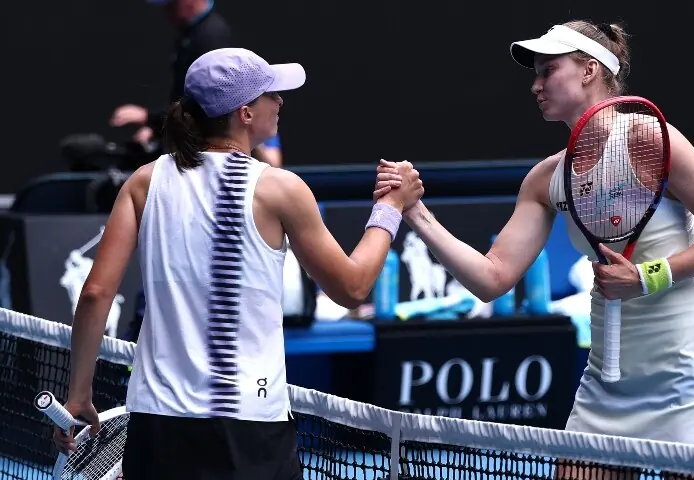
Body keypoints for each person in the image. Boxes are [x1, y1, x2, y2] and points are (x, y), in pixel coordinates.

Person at [375, 19, 694, 476]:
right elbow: (491, 278)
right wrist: (415, 212)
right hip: (608, 386)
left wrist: (645, 277)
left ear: (589, 70)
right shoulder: (546, 179)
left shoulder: (651, 140)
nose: (535, 85)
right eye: (534, 75)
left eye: (547, 70)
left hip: (690, 379)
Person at [53, 47, 423, 479]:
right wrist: (390, 209)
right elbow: (353, 287)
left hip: (158, 423)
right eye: (271, 94)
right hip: (248, 427)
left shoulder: (144, 180)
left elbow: (96, 294)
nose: (280, 101)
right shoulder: (279, 189)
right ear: (245, 113)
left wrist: (78, 395)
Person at [110, 0, 281, 167]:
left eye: (172, 5)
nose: (167, 13)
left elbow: (273, 163)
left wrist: (150, 119)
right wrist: (157, 128)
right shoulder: (191, 34)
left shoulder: (212, 37)